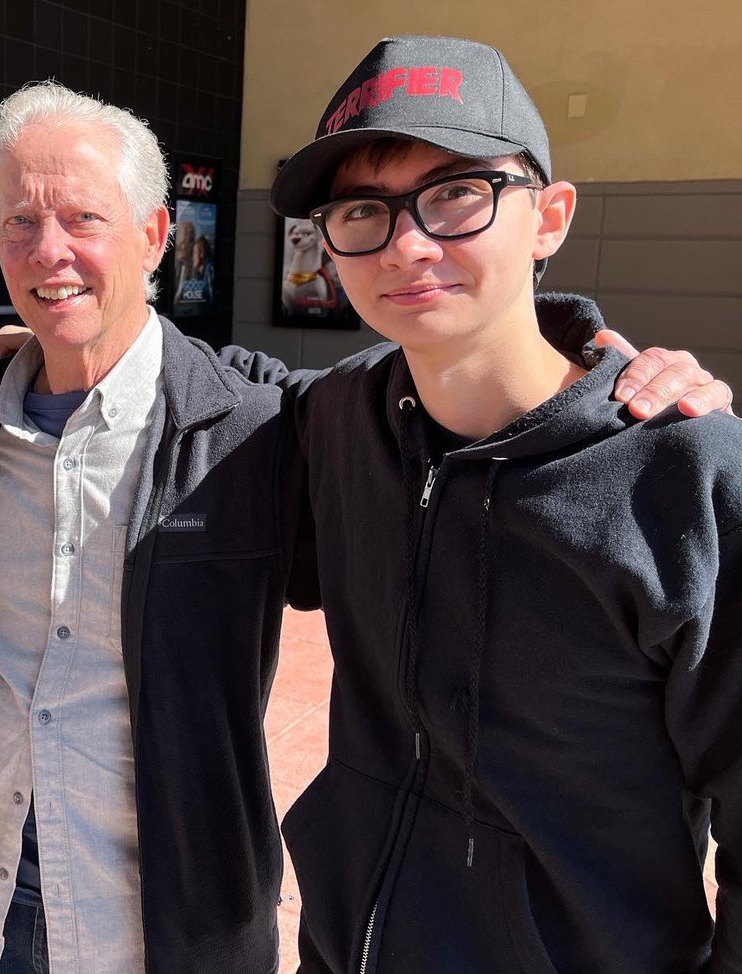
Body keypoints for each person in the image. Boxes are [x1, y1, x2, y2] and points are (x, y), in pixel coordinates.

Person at [0, 80, 728, 974]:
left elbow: (446, 383)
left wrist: (608, 369)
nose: (49, 249)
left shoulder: (258, 430)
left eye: (84, 217)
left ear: (155, 236)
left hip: (161, 925)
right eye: (20, 222)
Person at [257, 34, 742, 972]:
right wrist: (66, 337)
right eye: (363, 210)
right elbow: (218, 394)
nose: (407, 243)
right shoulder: (340, 421)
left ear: (549, 216)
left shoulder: (681, 471)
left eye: (455, 195)